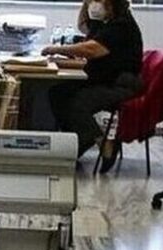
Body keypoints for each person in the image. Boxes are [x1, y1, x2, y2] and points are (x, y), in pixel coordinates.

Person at [42, 0, 143, 171]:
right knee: (58, 93)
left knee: (78, 102)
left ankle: (103, 143)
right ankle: (77, 140)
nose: (94, 4)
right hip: (103, 79)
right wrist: (86, 5)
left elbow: (92, 50)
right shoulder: (105, 22)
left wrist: (56, 49)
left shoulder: (122, 25)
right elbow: (83, 26)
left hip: (121, 85)